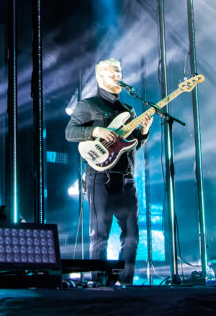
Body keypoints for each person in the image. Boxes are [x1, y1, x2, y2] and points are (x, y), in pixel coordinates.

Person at [65, 59, 152, 286]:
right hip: (99, 178)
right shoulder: (88, 105)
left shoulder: (128, 110)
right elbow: (70, 132)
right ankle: (99, 285)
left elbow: (134, 145)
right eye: (113, 72)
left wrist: (144, 132)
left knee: (132, 236)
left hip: (127, 179)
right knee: (100, 235)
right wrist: (96, 131)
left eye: (120, 72)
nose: (118, 76)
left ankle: (125, 283)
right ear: (100, 77)